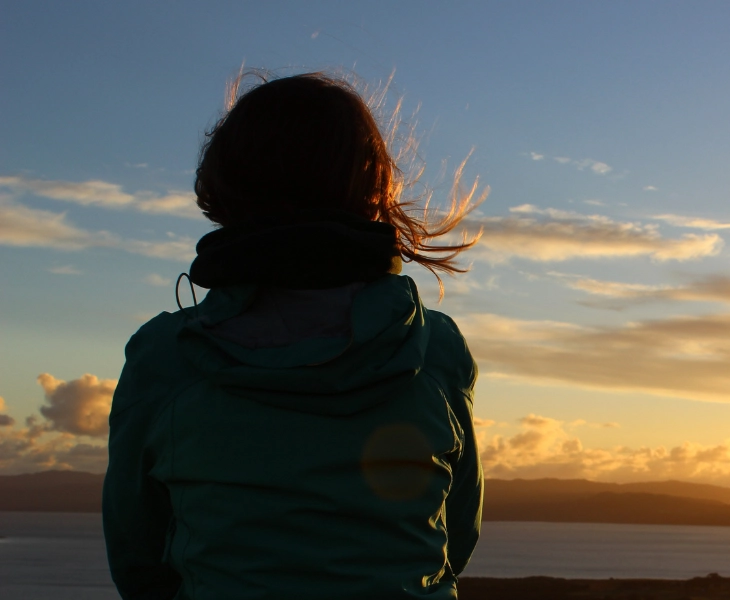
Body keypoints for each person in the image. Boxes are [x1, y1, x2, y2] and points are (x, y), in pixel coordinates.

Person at [102, 72, 484, 600]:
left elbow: (138, 556)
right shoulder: (431, 347)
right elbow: (453, 537)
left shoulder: (165, 358)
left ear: (225, 187)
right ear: (372, 189)